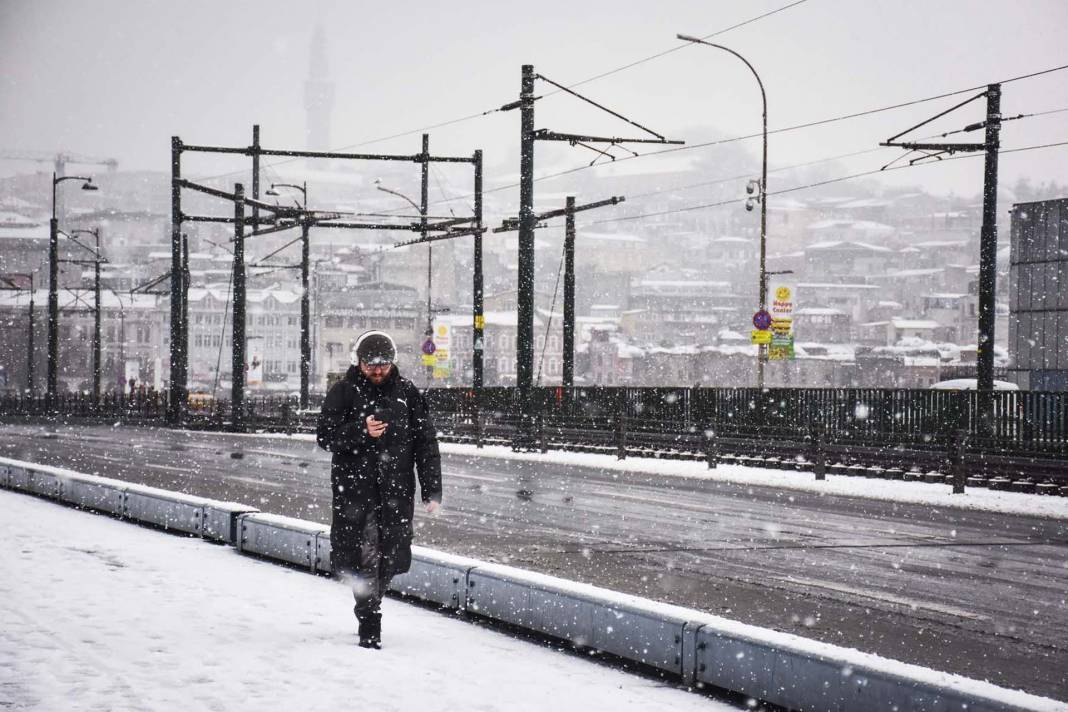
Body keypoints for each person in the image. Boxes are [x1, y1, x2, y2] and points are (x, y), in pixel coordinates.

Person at [316, 330, 442, 649]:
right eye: (370, 364)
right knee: (363, 556)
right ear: (358, 363)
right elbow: (325, 436)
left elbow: (426, 445)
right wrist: (361, 430)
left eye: (383, 364)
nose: (377, 370)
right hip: (356, 493)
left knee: (390, 558)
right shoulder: (343, 392)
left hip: (396, 493)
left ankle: (370, 602)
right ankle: (370, 620)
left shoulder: (408, 395)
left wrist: (432, 491)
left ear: (392, 362)